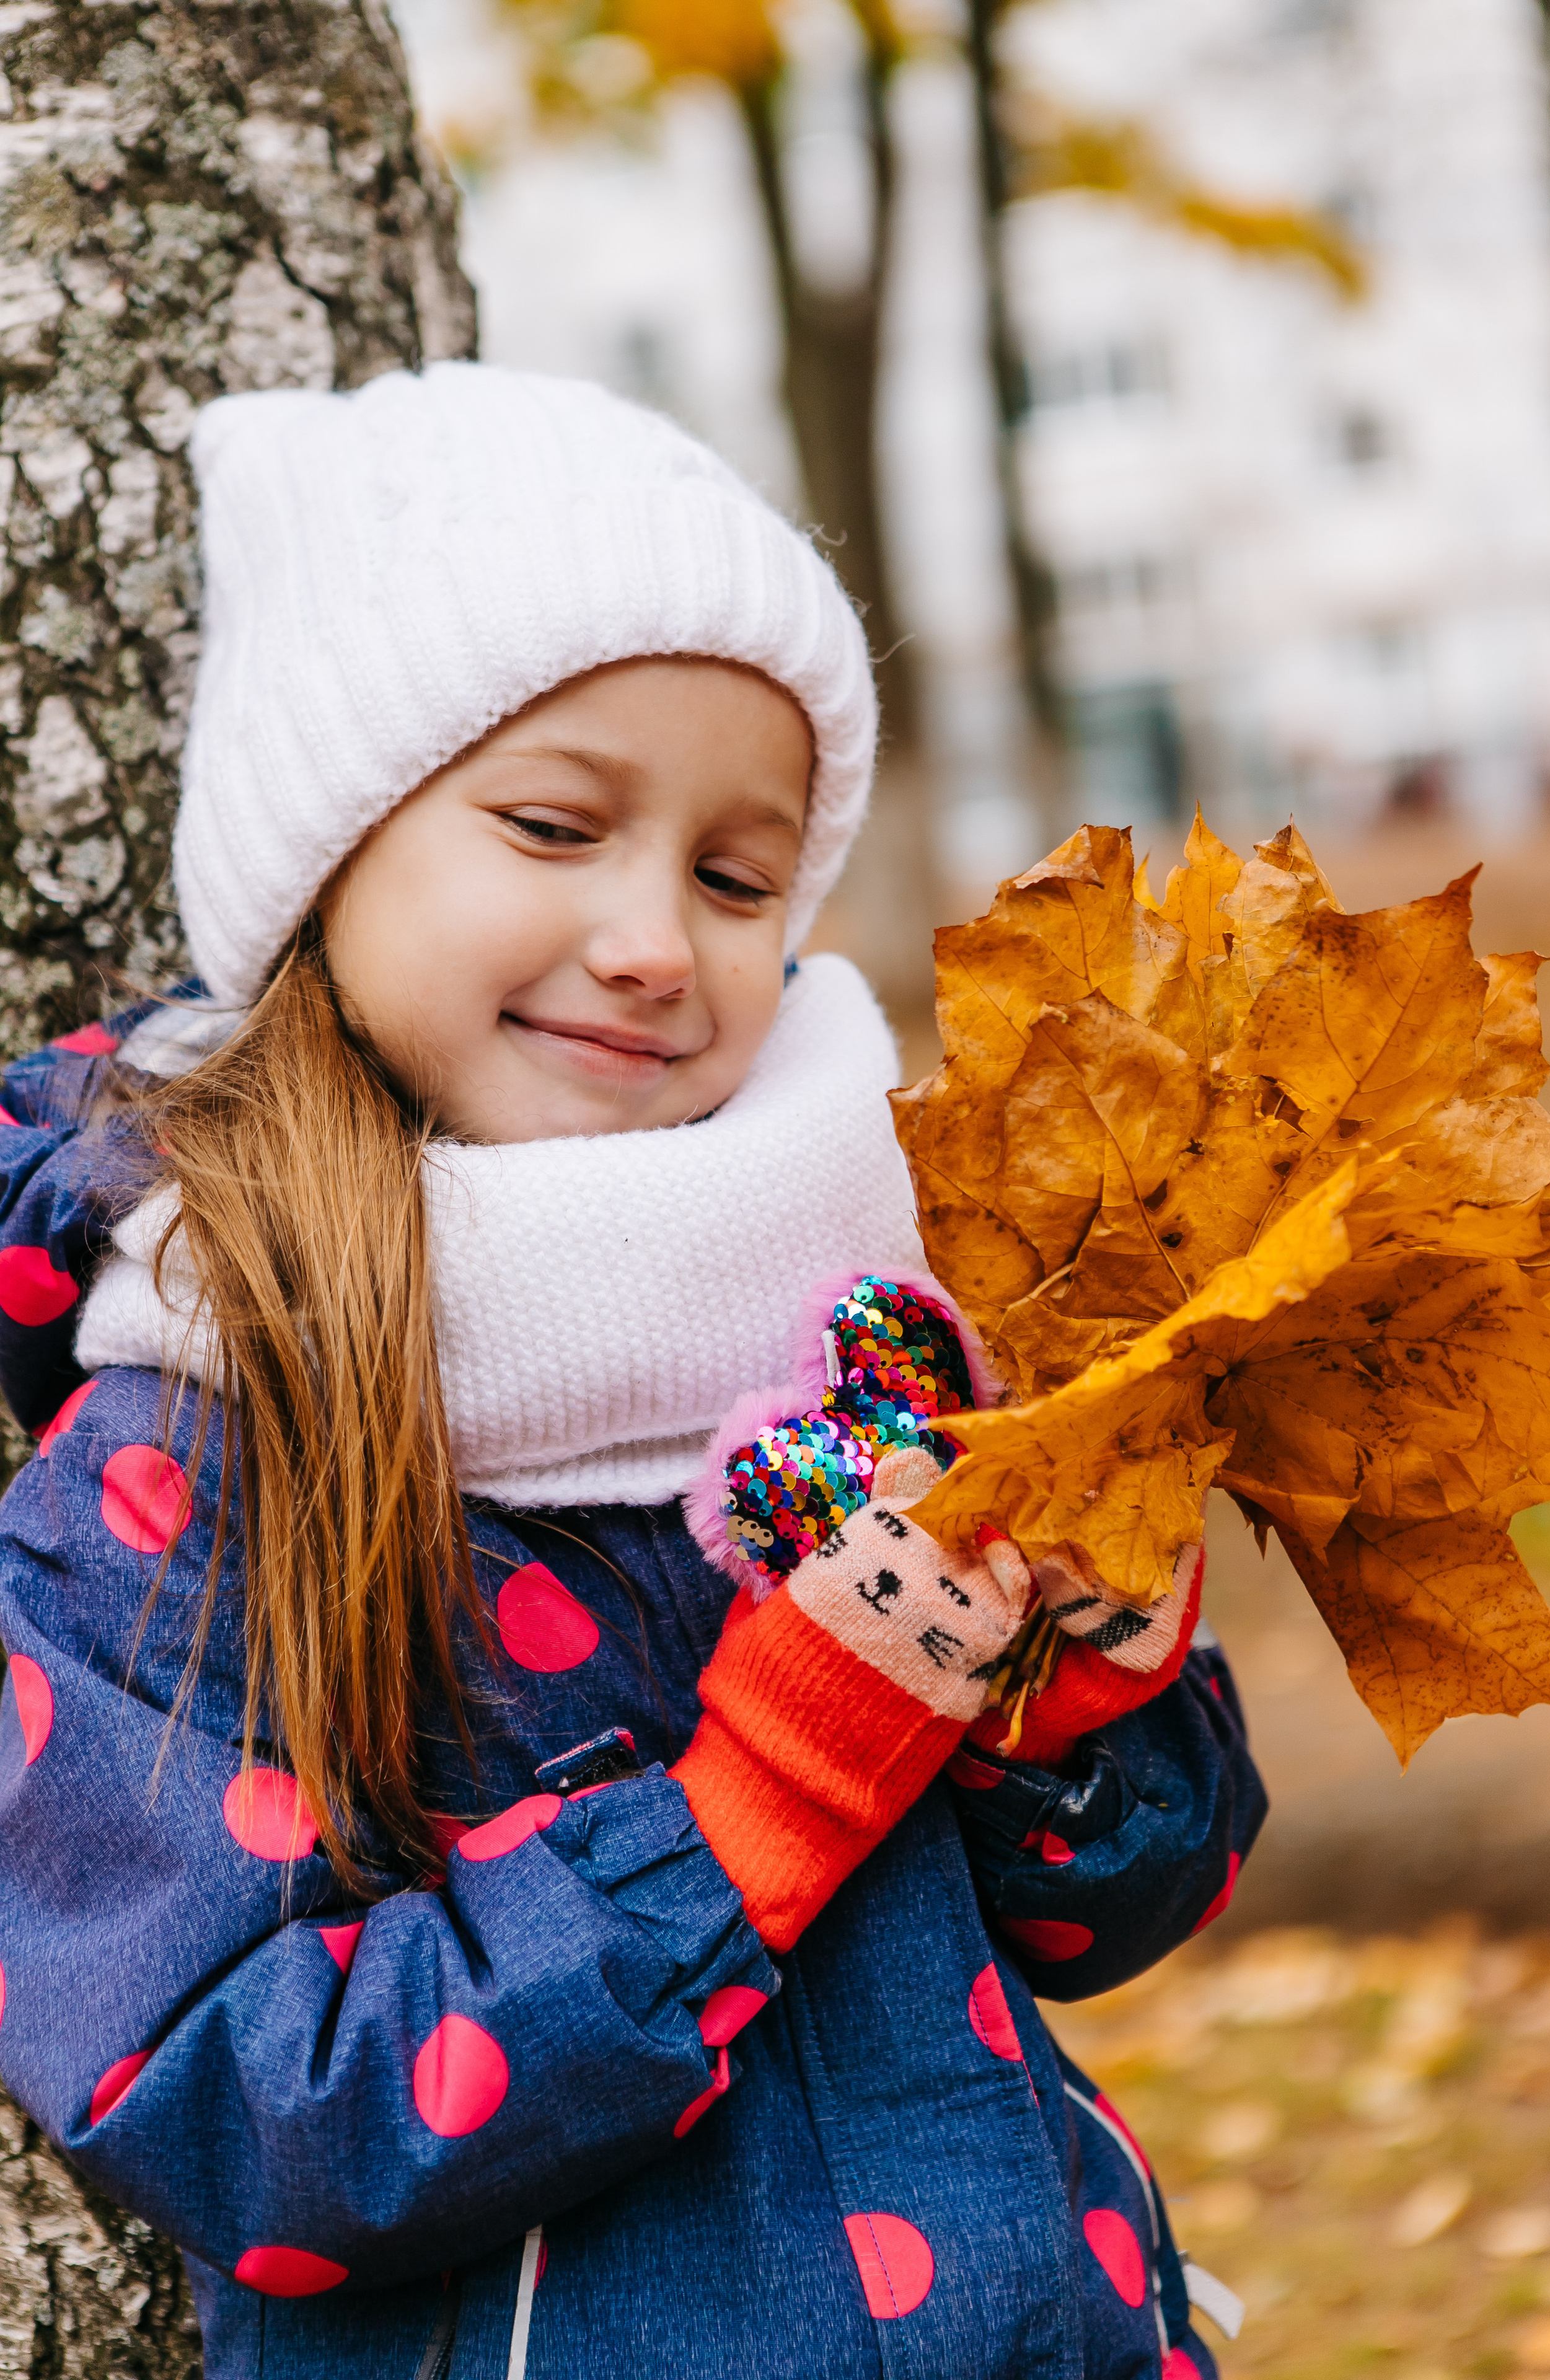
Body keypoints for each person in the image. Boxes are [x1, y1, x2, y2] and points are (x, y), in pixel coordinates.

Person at [0, 366, 1265, 2380]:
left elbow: (1118, 1914)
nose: (658, 941)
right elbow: (244, 2110)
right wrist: (756, 1793)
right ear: (327, 856)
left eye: (739, 877)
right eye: (555, 826)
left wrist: (1078, 1688)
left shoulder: (861, 1323)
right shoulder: (187, 1454)